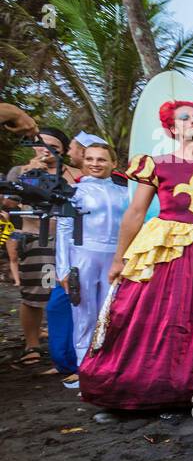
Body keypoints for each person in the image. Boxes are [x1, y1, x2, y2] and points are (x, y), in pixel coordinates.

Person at [79, 101, 193, 410]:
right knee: (162, 315)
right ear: (171, 129)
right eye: (184, 118)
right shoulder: (156, 164)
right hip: (168, 251)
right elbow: (135, 213)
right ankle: (152, 387)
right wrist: (119, 257)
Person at [53, 141, 130, 374]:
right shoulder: (74, 192)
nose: (95, 164)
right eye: (90, 159)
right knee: (84, 313)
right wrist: (63, 269)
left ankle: (110, 366)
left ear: (113, 163)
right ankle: (84, 368)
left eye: (101, 159)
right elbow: (64, 229)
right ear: (83, 161)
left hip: (116, 257)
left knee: (112, 312)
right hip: (83, 255)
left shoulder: (125, 192)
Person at [3, 126, 75, 366]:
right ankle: (31, 343)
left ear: (63, 149)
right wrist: (32, 172)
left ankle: (66, 340)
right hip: (36, 238)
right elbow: (8, 201)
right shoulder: (19, 171)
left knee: (67, 292)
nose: (46, 150)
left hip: (71, 241)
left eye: (53, 146)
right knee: (35, 294)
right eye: (41, 144)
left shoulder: (73, 172)